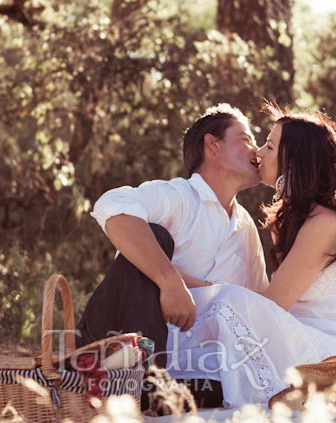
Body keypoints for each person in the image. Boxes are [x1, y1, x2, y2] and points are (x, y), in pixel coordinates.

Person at [166, 105, 336, 407]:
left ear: (293, 158)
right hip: (304, 337)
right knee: (229, 314)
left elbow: (271, 305)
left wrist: (179, 281)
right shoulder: (298, 218)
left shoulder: (325, 222)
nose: (258, 152)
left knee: (231, 301)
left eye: (269, 146)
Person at [76, 104, 269, 374]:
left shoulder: (246, 227)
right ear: (213, 145)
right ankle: (136, 382)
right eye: (246, 139)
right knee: (153, 238)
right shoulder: (177, 195)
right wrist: (170, 282)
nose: (257, 151)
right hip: (118, 344)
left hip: (191, 366)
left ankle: (158, 389)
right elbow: (112, 204)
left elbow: (260, 301)